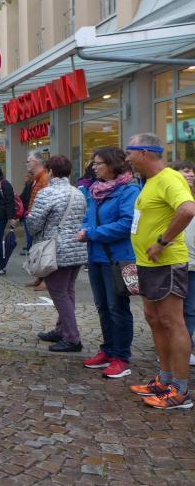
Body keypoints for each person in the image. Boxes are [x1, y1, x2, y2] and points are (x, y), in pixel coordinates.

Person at [127, 133, 195, 409]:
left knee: (171, 322)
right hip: (149, 263)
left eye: (130, 152)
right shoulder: (150, 181)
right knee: (154, 319)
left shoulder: (169, 178)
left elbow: (187, 210)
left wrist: (162, 241)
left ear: (144, 152)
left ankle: (180, 390)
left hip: (166, 262)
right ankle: (164, 380)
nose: (128, 158)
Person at [75, 147, 139, 377]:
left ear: (112, 164)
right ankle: (108, 350)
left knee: (117, 308)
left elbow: (126, 224)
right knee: (103, 307)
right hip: (96, 257)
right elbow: (89, 217)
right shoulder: (96, 190)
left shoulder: (128, 191)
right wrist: (85, 228)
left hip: (117, 258)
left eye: (98, 163)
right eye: (93, 163)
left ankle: (121, 357)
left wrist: (91, 233)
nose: (94, 167)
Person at [27, 155, 87, 353]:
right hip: (77, 248)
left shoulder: (47, 193)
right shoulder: (77, 192)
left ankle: (72, 337)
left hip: (56, 249)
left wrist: (32, 225)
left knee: (59, 293)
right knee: (68, 290)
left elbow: (34, 223)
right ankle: (62, 330)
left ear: (50, 171)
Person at [173, 159, 195, 367]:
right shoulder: (171, 196)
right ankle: (173, 350)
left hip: (193, 262)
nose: (191, 174)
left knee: (190, 309)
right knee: (174, 310)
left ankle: (185, 347)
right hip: (176, 261)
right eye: (185, 171)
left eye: (192, 171)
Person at [26, 153, 50, 289]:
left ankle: (46, 280)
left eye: (28, 161)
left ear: (36, 162)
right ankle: (40, 277)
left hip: (41, 219)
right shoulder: (37, 178)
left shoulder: (44, 178)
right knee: (36, 248)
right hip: (35, 217)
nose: (27, 164)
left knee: (43, 249)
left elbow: (47, 199)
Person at [0, 164, 17, 274]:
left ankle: (2, 266)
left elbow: (10, 202)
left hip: (0, 217)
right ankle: (1, 265)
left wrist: (12, 218)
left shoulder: (4, 184)